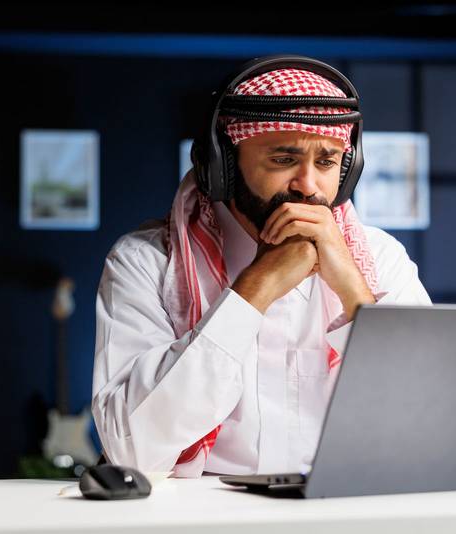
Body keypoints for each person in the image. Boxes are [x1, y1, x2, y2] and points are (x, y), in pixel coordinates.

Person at [92, 56, 431, 478]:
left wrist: (353, 292)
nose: (308, 185)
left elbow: (429, 420)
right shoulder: (145, 262)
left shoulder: (381, 258)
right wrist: (256, 287)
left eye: (326, 162)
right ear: (224, 166)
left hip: (340, 506)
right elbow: (130, 449)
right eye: (284, 159)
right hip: (200, 510)